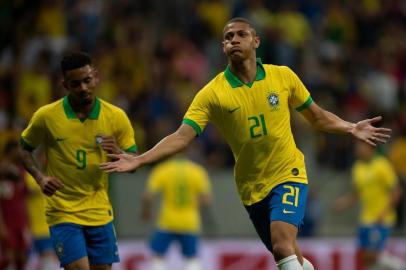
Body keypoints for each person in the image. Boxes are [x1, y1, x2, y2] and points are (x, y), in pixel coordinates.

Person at [100, 18, 391, 270]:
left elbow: (317, 117)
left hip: (288, 172)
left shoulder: (283, 76)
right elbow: (181, 136)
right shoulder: (212, 93)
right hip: (251, 188)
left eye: (240, 35)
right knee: (289, 254)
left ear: (256, 41)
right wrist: (140, 159)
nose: (234, 40)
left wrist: (350, 126)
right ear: (223, 47)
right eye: (228, 37)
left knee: (281, 243)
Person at [19, 51, 138, 270]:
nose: (82, 88)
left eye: (87, 80)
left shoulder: (115, 116)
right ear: (64, 85)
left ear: (96, 77)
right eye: (75, 84)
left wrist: (119, 153)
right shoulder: (46, 116)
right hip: (63, 210)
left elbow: (133, 163)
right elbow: (24, 149)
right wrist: (40, 177)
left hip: (99, 211)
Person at [333, 140, 404, 270]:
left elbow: (396, 192)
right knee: (366, 258)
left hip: (381, 219)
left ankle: (400, 266)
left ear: (370, 147)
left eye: (360, 146)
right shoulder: (357, 167)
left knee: (372, 255)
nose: (357, 149)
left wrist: (384, 212)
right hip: (365, 218)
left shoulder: (382, 165)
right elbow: (357, 193)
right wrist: (343, 203)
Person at [141, 155, 212, 270]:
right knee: (191, 258)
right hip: (189, 222)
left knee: (158, 256)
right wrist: (191, 202)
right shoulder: (197, 171)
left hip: (167, 221)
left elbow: (148, 196)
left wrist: (145, 213)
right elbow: (206, 199)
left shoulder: (163, 169)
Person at [0, 140, 30, 270]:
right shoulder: (2, 170)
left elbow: (24, 198)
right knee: (8, 258)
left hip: (20, 221)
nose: (20, 152)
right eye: (18, 149)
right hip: (7, 221)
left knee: (22, 257)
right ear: (11, 152)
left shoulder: (21, 171)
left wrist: (27, 224)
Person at [25, 171, 59, 270]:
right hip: (35, 229)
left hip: (50, 228)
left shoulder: (53, 172)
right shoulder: (27, 176)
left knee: (50, 263)